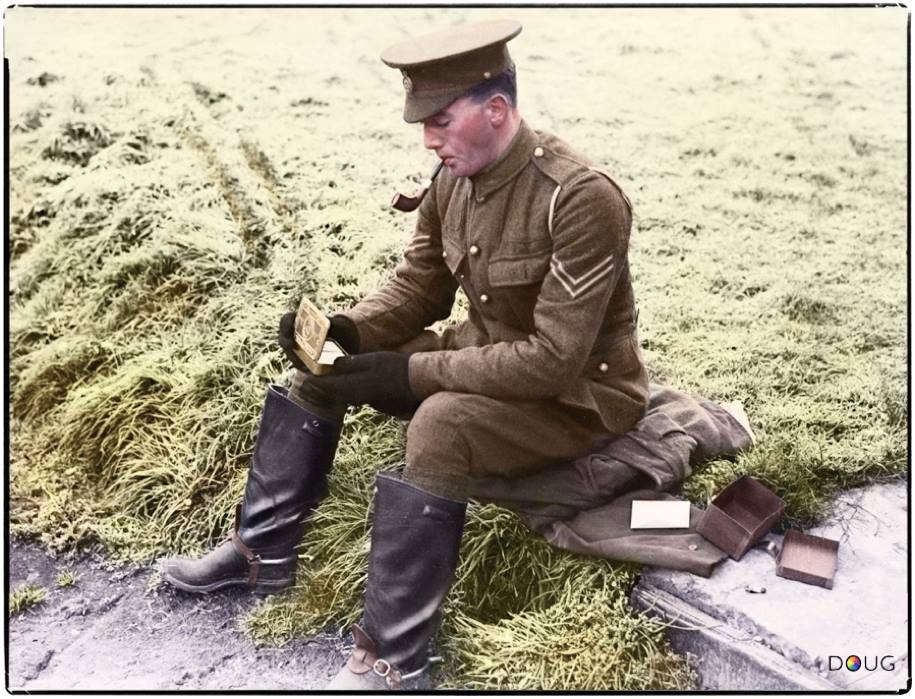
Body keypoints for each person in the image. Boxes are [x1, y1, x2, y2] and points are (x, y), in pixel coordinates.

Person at [162, 19, 751, 690]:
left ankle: (393, 657)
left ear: (495, 110)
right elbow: (417, 288)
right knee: (325, 370)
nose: (428, 136)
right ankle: (260, 552)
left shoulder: (580, 198)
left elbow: (552, 360)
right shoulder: (452, 178)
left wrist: (408, 371)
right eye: (424, 123)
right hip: (486, 361)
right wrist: (347, 333)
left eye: (440, 119)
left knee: (438, 423)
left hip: (577, 402)